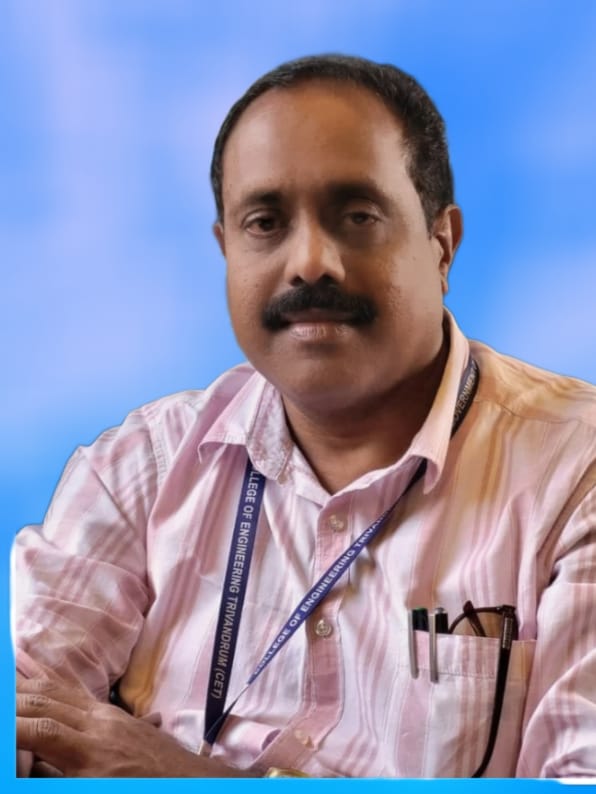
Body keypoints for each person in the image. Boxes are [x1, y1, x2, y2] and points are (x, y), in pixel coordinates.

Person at [13, 53, 596, 779]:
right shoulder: (144, 467)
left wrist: (183, 776)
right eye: (265, 223)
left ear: (441, 244)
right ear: (227, 249)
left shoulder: (576, 473)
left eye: (357, 216)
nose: (311, 262)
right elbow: (25, 714)